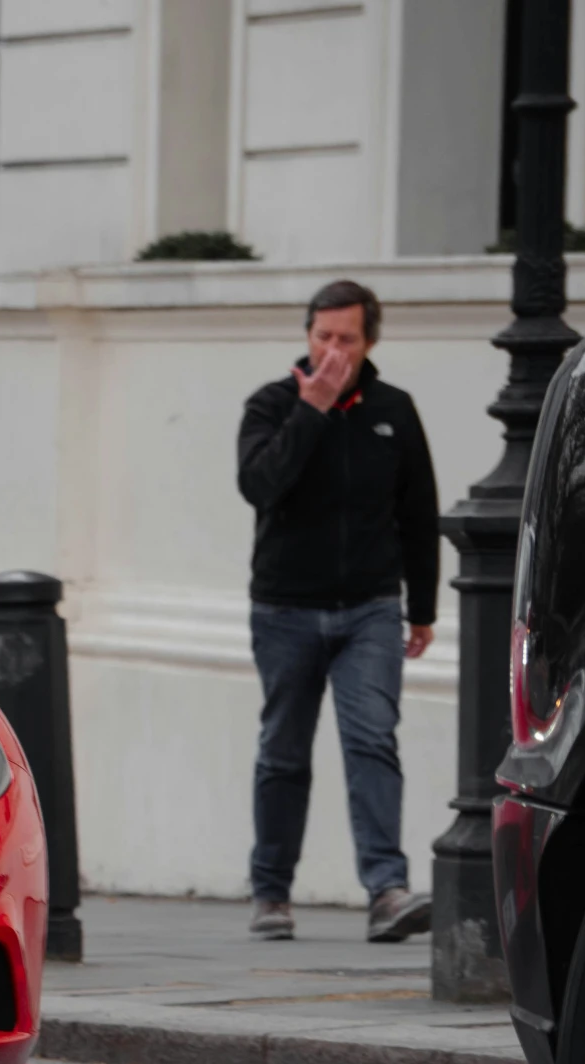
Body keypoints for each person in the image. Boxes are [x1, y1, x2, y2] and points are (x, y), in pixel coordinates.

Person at [236, 280, 438, 943]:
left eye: (346, 339)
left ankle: (387, 889)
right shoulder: (272, 404)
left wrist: (423, 609)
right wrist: (312, 409)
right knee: (283, 752)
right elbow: (260, 484)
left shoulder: (394, 410)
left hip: (370, 611)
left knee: (372, 739)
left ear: (369, 342)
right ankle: (271, 893)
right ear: (307, 335)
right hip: (285, 609)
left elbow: (417, 514)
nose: (332, 349)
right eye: (322, 336)